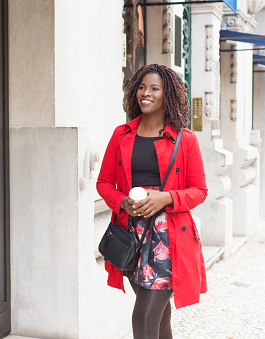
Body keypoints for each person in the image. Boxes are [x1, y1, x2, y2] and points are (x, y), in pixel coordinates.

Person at [97, 64, 208, 339]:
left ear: (166, 95)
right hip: (132, 234)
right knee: (159, 319)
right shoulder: (121, 135)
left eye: (154, 88)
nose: (145, 93)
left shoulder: (185, 139)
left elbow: (200, 190)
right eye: (142, 87)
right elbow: (103, 183)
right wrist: (122, 202)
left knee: (143, 318)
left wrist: (167, 197)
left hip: (169, 238)